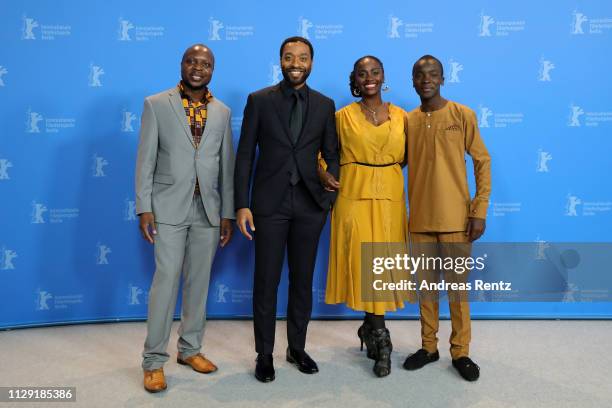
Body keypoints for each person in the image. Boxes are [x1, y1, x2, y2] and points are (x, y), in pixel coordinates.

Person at [234, 36, 339, 383]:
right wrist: (242, 204)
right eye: (289, 57)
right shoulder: (260, 101)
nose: (296, 62)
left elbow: (332, 155)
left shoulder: (325, 105)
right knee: (265, 281)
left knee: (302, 280)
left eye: (303, 57)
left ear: (312, 62)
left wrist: (328, 197)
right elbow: (246, 155)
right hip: (268, 205)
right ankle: (264, 354)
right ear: (280, 60)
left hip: (310, 205)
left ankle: (297, 347)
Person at [135, 44, 235, 392]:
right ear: (181, 65)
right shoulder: (156, 104)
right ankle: (153, 361)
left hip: (207, 209)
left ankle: (190, 349)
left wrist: (227, 213)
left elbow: (227, 167)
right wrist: (143, 206)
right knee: (166, 281)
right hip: (167, 208)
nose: (198, 68)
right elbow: (145, 159)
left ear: (213, 70)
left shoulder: (222, 112)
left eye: (205, 64)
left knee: (198, 283)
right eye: (192, 61)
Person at [402, 55, 491, 381]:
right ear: (412, 80)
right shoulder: (407, 120)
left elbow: (482, 161)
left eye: (433, 74)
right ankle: (428, 347)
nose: (427, 80)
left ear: (442, 79)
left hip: (457, 220)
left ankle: (461, 351)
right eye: (420, 75)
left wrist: (478, 211)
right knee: (426, 288)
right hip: (420, 220)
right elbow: (389, 161)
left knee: (457, 290)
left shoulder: (462, 114)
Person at [320, 56, 409, 377]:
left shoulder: (402, 117)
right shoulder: (340, 118)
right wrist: (323, 174)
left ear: (383, 77)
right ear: (354, 81)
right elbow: (322, 154)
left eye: (375, 72)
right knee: (364, 265)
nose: (369, 78)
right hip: (353, 197)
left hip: (389, 199)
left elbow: (408, 157)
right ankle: (382, 339)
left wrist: (383, 173)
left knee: (382, 266)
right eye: (362, 74)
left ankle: (370, 329)